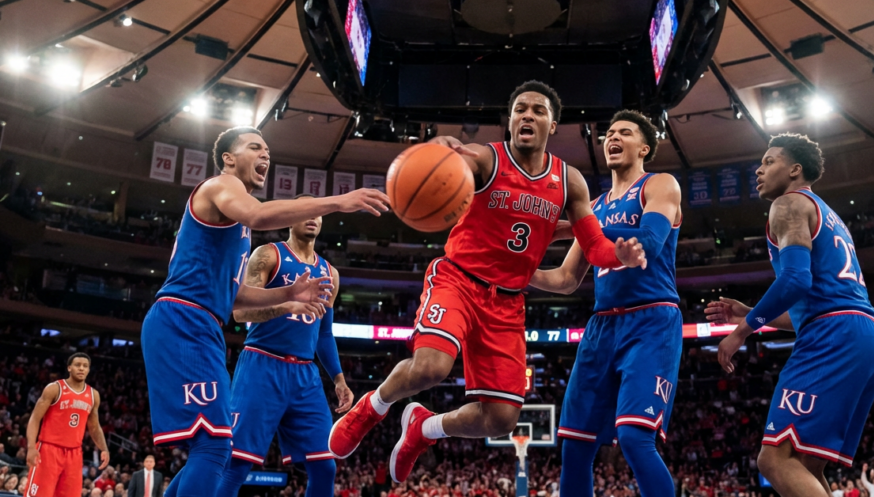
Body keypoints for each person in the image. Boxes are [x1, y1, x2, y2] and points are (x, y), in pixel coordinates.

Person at [329, 81, 647, 482]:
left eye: (537, 110)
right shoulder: (484, 160)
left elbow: (595, 247)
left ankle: (424, 428)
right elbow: (450, 164)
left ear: (553, 124)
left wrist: (618, 255)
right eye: (519, 109)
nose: (527, 115)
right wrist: (440, 153)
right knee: (432, 367)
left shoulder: (570, 182)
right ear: (510, 121)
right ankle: (372, 407)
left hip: (508, 302)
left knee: (500, 419)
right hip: (458, 280)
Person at [141, 126, 390, 497]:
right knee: (216, 449)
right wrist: (337, 202)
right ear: (228, 158)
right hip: (185, 321)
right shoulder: (223, 187)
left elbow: (233, 296)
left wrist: (288, 294)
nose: (266, 156)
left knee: (214, 448)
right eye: (255, 147)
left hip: (205, 322)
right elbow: (259, 216)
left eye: (268, 152)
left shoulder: (235, 219)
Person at [707, 133, 874, 497]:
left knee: (772, 460)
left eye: (769, 161)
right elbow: (813, 302)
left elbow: (794, 279)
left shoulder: (788, 204)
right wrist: (753, 313)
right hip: (863, 333)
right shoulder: (828, 213)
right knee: (805, 466)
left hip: (833, 336)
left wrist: (742, 330)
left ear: (794, 170)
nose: (758, 169)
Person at [527, 111, 683, 497]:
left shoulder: (660, 184)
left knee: (633, 438)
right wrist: (514, 268)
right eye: (609, 133)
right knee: (576, 447)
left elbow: (651, 238)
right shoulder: (593, 205)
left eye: (625, 133)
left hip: (651, 320)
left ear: (643, 147)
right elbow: (565, 279)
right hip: (601, 327)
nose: (613, 137)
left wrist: (583, 226)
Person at [218, 196, 352, 497]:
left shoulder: (330, 273)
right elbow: (240, 313)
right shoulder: (268, 255)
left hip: (306, 375)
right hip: (262, 364)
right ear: (292, 216)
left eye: (319, 213)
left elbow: (324, 333)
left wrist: (339, 379)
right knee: (236, 463)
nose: (313, 217)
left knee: (325, 466)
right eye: (307, 210)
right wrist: (287, 304)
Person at [24, 352, 109, 497]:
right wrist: (31, 446)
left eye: (85, 366)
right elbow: (34, 418)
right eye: (77, 365)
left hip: (74, 454)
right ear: (69, 368)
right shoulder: (54, 388)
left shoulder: (93, 395)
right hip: (49, 449)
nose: (81, 368)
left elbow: (94, 426)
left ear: (89, 370)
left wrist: (104, 448)